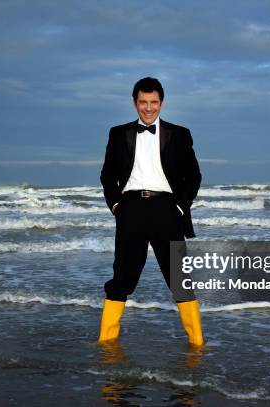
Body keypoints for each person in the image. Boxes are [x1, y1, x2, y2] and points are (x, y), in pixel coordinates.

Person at [98, 77, 204, 346]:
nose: (148, 108)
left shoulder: (179, 134)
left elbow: (193, 176)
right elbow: (108, 176)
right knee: (122, 278)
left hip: (167, 210)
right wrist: (116, 206)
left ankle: (197, 345)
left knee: (180, 279)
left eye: (153, 102)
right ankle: (106, 345)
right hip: (130, 210)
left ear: (162, 103)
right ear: (135, 103)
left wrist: (180, 207)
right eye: (143, 102)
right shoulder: (118, 133)